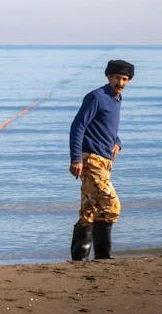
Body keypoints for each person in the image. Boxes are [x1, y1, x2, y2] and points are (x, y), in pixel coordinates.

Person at [68, 59, 134, 261]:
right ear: (108, 77)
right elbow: (78, 126)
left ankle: (80, 258)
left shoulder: (116, 99)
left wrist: (118, 142)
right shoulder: (97, 97)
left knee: (90, 209)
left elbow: (107, 127)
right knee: (111, 205)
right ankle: (104, 255)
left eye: (125, 79)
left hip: (105, 160)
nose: (120, 83)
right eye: (117, 78)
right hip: (91, 160)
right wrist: (76, 158)